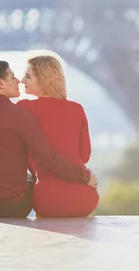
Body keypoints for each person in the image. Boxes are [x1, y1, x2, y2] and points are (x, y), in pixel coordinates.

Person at [0, 60, 97, 218]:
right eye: (12, 78)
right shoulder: (20, 114)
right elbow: (48, 157)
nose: (18, 81)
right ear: (0, 83)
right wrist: (84, 176)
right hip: (19, 206)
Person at [17, 52, 99, 217]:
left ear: (44, 78)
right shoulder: (77, 109)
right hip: (84, 199)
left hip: (48, 200)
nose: (22, 81)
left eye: (28, 76)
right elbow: (84, 156)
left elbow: (22, 155)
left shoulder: (24, 108)